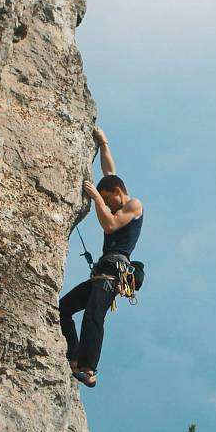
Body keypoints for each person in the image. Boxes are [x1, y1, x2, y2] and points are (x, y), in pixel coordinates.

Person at [59, 126, 144, 388]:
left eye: (109, 199)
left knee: (94, 315)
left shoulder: (133, 205)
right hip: (102, 272)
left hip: (114, 272)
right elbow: (110, 173)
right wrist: (104, 143)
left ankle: (88, 369)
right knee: (63, 308)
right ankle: (73, 357)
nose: (107, 204)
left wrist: (96, 197)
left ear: (119, 193)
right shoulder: (115, 191)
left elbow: (109, 225)